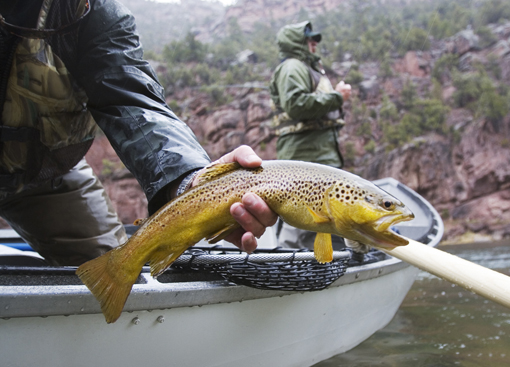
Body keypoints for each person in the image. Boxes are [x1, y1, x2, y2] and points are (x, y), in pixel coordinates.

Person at [0, 0, 277, 266]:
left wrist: (189, 182)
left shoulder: (91, 10)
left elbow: (131, 97)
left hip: (46, 168)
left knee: (116, 267)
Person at [269, 20, 351, 249]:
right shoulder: (292, 68)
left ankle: (323, 266)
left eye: (315, 39)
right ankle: (290, 270)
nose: (314, 43)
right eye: (309, 39)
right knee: (300, 218)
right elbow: (295, 104)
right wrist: (336, 97)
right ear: (297, 42)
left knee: (320, 219)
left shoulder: (308, 68)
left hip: (319, 158)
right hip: (304, 159)